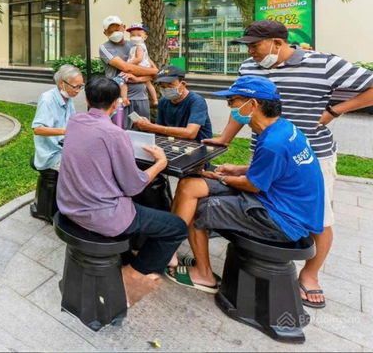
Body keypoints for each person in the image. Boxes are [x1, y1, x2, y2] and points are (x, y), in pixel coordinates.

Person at [203, 20, 373, 307]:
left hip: (312, 155)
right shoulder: (250, 67)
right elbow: (240, 104)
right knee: (266, 201)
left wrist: (334, 111)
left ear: (277, 43)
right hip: (266, 151)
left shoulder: (324, 63)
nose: (250, 52)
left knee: (319, 219)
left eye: (254, 46)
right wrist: (225, 139)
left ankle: (310, 275)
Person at [169, 76, 324, 294]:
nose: (230, 107)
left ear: (253, 104)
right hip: (278, 200)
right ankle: (167, 247)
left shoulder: (273, 143)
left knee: (198, 207)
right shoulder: (282, 128)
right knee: (190, 185)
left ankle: (203, 274)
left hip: (281, 219)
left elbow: (252, 186)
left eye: (232, 101)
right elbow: (278, 169)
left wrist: (221, 178)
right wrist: (238, 169)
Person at [56, 76, 188, 305]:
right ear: (116, 103)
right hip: (102, 215)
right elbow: (133, 185)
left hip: (69, 205)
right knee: (176, 227)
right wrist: (160, 163)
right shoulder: (115, 134)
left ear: (87, 99)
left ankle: (132, 252)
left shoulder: (75, 121)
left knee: (140, 210)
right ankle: (133, 275)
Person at [99, 16, 158, 129]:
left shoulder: (135, 44)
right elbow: (126, 68)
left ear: (123, 27)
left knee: (143, 131)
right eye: (111, 31)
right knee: (121, 131)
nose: (115, 33)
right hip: (121, 100)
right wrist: (154, 71)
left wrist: (140, 78)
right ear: (105, 33)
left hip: (141, 97)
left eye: (117, 29)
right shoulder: (105, 48)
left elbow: (153, 74)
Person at [134, 65, 213, 143]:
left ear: (183, 84)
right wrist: (145, 126)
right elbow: (159, 129)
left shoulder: (196, 101)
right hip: (173, 142)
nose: (166, 89)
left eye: (170, 85)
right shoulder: (163, 101)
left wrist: (151, 127)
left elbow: (190, 133)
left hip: (198, 144)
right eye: (163, 87)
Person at [31, 64, 83, 171]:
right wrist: (66, 131)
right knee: (81, 171)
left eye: (80, 86)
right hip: (52, 155)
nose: (78, 90)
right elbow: (38, 129)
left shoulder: (68, 97)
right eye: (75, 87)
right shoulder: (47, 99)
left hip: (64, 149)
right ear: (62, 84)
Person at [126, 23, 159, 107]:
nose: (135, 37)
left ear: (145, 37)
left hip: (139, 68)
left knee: (122, 79)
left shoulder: (139, 47)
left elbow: (139, 59)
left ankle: (124, 98)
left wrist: (127, 65)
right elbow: (147, 58)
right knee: (148, 84)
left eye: (139, 35)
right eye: (132, 35)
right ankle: (155, 99)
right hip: (144, 67)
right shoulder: (137, 46)